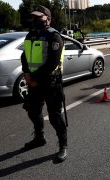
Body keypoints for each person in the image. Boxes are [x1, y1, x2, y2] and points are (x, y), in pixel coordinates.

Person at [21, 5, 68, 162]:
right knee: (33, 111)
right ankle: (39, 137)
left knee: (55, 117)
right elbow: (24, 56)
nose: (35, 21)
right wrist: (27, 74)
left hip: (51, 83)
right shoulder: (30, 35)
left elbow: (52, 63)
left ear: (48, 19)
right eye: (34, 17)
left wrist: (33, 78)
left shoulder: (54, 37)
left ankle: (63, 145)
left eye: (39, 18)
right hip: (34, 82)